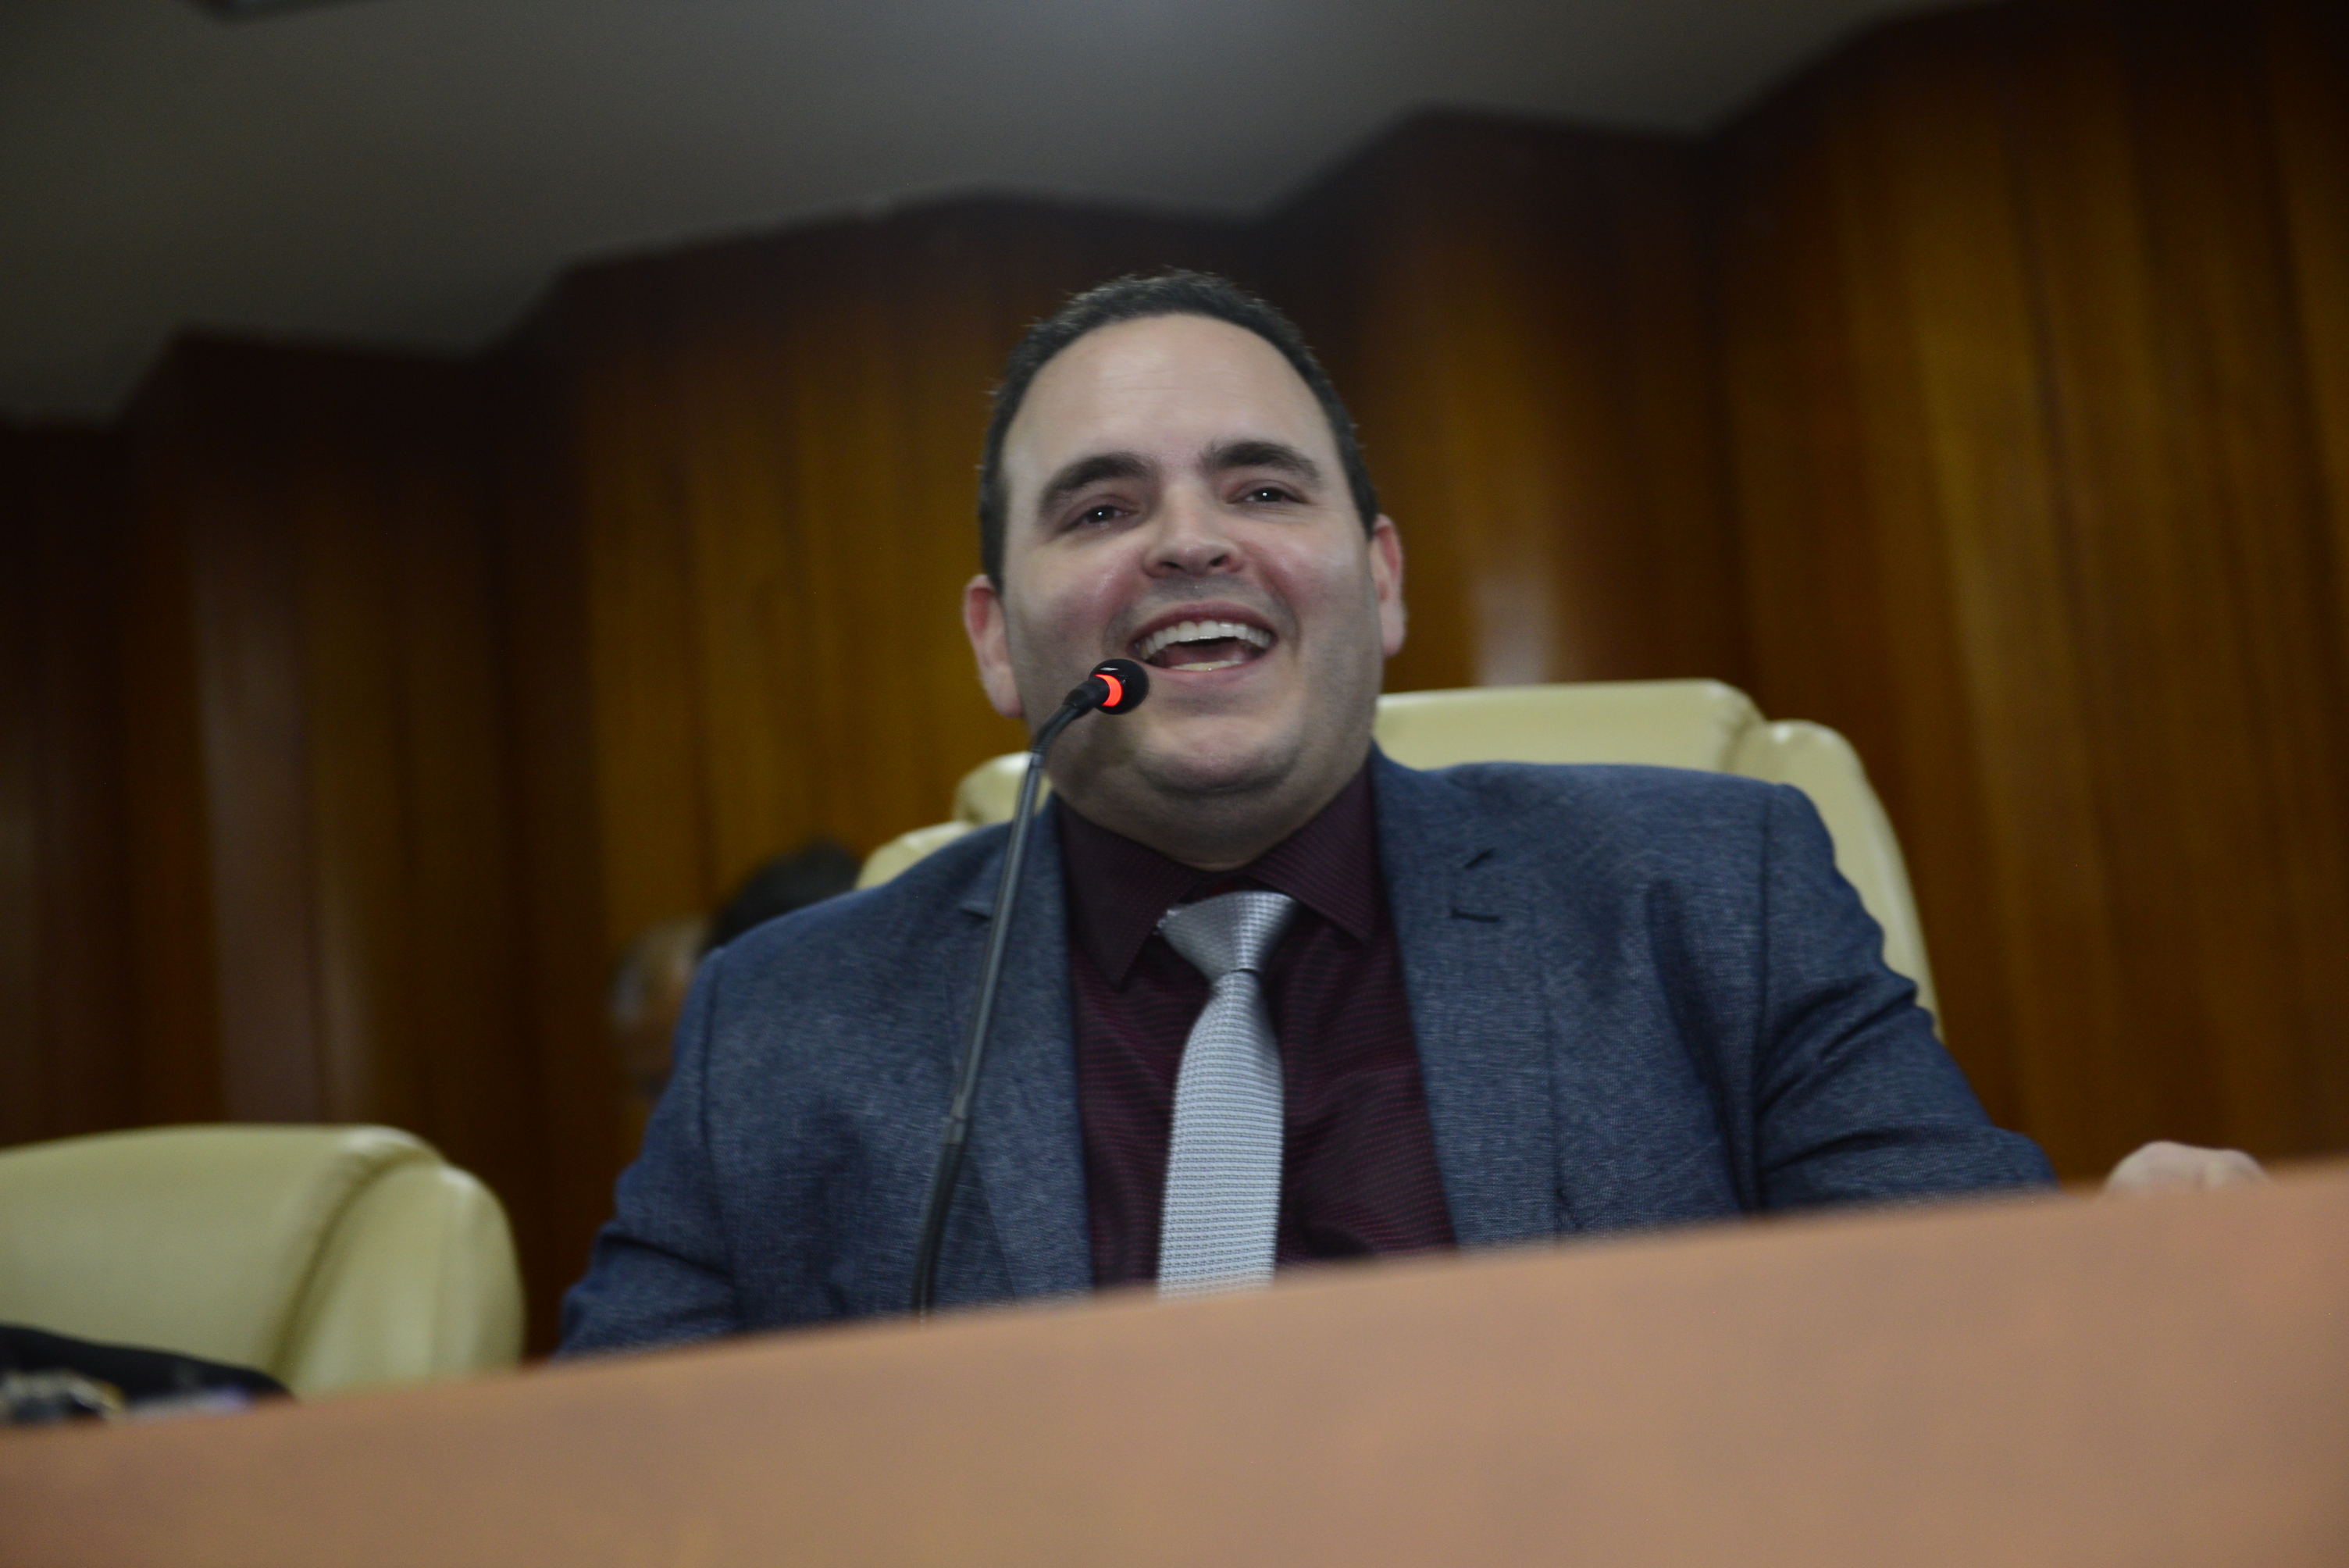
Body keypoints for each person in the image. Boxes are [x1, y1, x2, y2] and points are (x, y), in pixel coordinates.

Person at [561, 273, 2254, 1352]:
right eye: (1099, 507)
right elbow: (603, 1487)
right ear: (1000, 642)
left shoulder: (1706, 893)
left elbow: (1965, 1329)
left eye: (1261, 484)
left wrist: (2125, 1293)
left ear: (1379, 584)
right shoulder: (783, 1023)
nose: (1189, 541)